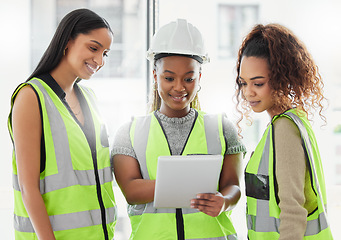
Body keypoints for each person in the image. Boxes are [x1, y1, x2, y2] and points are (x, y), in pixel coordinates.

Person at [112, 19, 245, 240]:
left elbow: (232, 186)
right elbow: (131, 192)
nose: (179, 87)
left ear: (199, 77)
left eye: (189, 79)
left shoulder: (222, 128)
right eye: (169, 78)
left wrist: (224, 202)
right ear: (155, 76)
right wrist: (190, 184)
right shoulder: (129, 132)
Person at [8, 8, 116, 240]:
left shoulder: (90, 99)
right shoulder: (31, 97)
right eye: (93, 48)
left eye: (105, 53)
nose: (99, 61)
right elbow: (29, 188)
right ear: (67, 41)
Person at [235, 23, 333, 240]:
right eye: (243, 83)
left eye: (258, 83)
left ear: (281, 78)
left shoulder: (285, 129)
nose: (248, 92)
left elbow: (293, 212)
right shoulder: (291, 122)